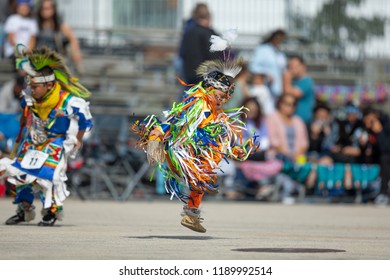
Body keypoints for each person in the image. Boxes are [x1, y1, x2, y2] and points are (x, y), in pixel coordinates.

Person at [132, 56, 255, 233]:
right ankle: (200, 192)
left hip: (196, 154)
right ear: (209, 89)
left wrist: (235, 150)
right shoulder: (197, 103)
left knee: (207, 165)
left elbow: (221, 138)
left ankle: (192, 214)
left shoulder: (215, 112)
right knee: (203, 172)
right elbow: (174, 119)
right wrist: (156, 136)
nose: (221, 101)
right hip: (180, 151)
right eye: (219, 96)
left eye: (224, 98)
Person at [0, 45, 93, 226]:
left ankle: (51, 211)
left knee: (48, 177)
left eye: (35, 86)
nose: (32, 89)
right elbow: (25, 114)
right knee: (20, 173)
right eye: (30, 85)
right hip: (33, 140)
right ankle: (24, 210)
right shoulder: (28, 96)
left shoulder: (67, 100)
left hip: (55, 143)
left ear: (49, 85)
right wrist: (23, 128)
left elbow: (86, 119)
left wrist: (79, 138)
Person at [36, 0, 84, 74]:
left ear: (54, 9)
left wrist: (76, 56)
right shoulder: (36, 25)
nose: (45, 11)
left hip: (56, 64)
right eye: (43, 8)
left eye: (48, 8)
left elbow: (73, 40)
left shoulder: (61, 26)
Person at [181, 3, 222, 85]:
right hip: (205, 76)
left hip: (190, 75)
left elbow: (182, 53)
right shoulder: (209, 34)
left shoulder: (188, 31)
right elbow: (214, 57)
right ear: (209, 17)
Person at [362, 107, 390, 206]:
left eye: (371, 120)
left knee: (385, 158)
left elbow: (386, 148)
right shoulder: (366, 128)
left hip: (385, 156)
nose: (369, 122)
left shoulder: (386, 125)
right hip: (375, 157)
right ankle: (366, 190)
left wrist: (379, 132)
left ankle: (384, 193)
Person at [249, 29, 287, 100]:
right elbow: (253, 67)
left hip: (278, 90)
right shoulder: (262, 49)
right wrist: (266, 74)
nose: (279, 41)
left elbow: (283, 71)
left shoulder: (280, 53)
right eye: (277, 38)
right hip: (264, 87)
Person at [283, 55, 315, 125]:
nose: (291, 69)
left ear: (303, 67)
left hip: (303, 121)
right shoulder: (294, 82)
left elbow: (289, 93)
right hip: (293, 121)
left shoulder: (307, 81)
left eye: (294, 66)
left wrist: (286, 78)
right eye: (289, 66)